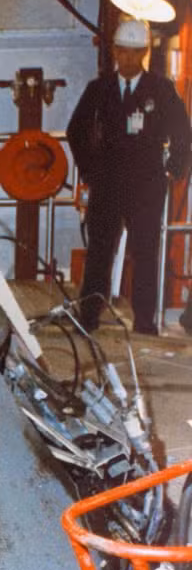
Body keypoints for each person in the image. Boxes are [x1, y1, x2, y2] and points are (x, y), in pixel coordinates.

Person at [67, 18, 191, 335]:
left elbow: (182, 131)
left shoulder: (161, 90)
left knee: (145, 253)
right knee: (99, 252)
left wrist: (174, 168)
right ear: (115, 52)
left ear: (144, 53)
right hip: (107, 182)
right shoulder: (100, 89)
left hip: (146, 185)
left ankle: (145, 322)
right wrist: (90, 170)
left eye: (135, 53)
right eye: (123, 52)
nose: (128, 59)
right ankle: (89, 317)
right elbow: (76, 130)